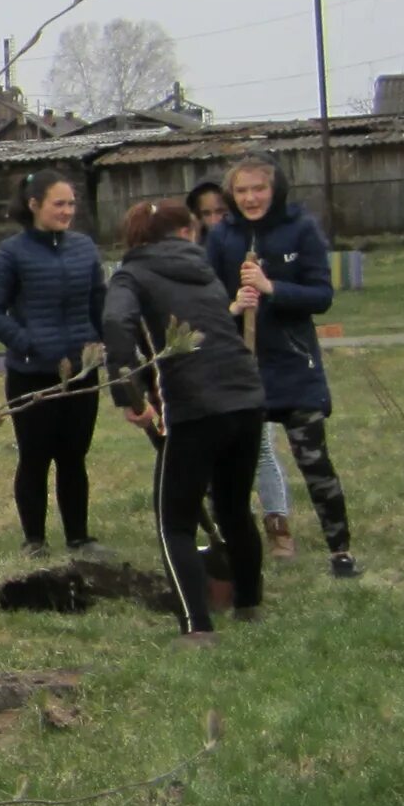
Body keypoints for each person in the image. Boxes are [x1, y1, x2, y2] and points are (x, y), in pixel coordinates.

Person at [104, 201, 269, 643]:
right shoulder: (205, 270)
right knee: (234, 508)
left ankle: (196, 628)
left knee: (173, 521)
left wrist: (128, 394)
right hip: (247, 398)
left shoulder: (130, 274)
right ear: (182, 233)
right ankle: (249, 603)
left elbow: (115, 324)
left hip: (195, 407)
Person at [203, 153, 359, 578]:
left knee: (314, 460)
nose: (251, 198)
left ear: (275, 190)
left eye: (259, 189)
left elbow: (321, 296)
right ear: (231, 196)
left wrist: (272, 288)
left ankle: (340, 551)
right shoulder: (221, 237)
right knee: (230, 466)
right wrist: (234, 304)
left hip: (293, 364)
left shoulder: (300, 229)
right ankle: (234, 549)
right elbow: (208, 302)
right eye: (242, 191)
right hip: (241, 367)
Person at [0, 170, 108, 554]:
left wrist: (106, 341)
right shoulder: (12, 253)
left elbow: (99, 302)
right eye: (59, 204)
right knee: (35, 458)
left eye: (71, 204)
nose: (67, 211)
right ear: (34, 205)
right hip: (31, 374)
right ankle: (34, 539)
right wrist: (27, 343)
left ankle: (79, 537)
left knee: (73, 457)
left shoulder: (84, 248)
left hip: (82, 372)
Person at [186, 183, 296, 557]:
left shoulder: (247, 251)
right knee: (217, 450)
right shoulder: (194, 261)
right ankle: (230, 522)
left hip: (250, 360)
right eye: (206, 214)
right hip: (210, 364)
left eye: (221, 212)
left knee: (262, 444)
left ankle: (278, 523)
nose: (214, 221)